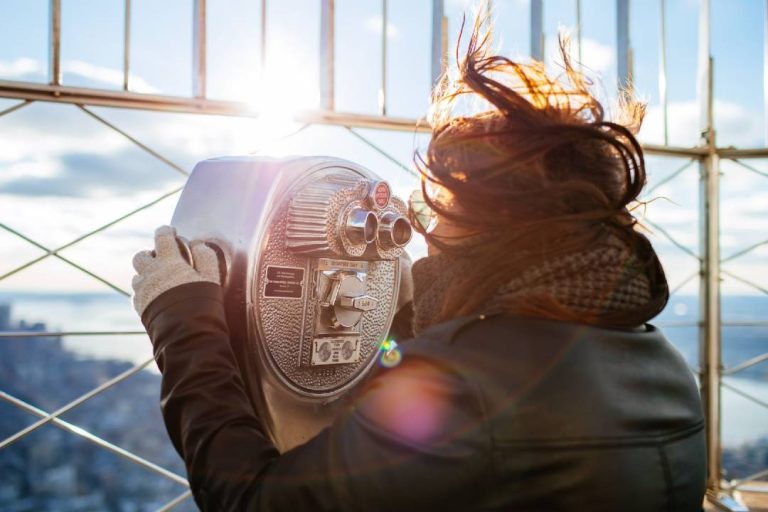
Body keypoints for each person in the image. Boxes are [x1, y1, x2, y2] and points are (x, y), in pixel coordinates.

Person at [131, 17, 706, 512]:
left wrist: (182, 320)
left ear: (495, 225)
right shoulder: (663, 364)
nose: (427, 234)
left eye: (445, 211)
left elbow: (257, 500)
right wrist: (396, 325)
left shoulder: (470, 383)